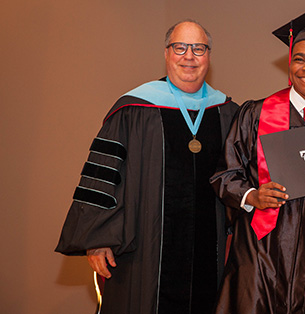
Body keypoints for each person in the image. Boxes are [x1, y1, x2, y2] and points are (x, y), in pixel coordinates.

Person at [55, 20, 238, 314]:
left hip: (211, 253)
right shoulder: (133, 110)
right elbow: (103, 177)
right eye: (180, 47)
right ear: (166, 53)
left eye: (198, 48)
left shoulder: (228, 113)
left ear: (209, 56)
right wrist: (98, 239)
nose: (189, 56)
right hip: (145, 250)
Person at [210, 6, 305, 313]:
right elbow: (225, 175)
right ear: (289, 64)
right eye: (300, 59)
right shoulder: (254, 114)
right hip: (259, 252)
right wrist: (252, 195)